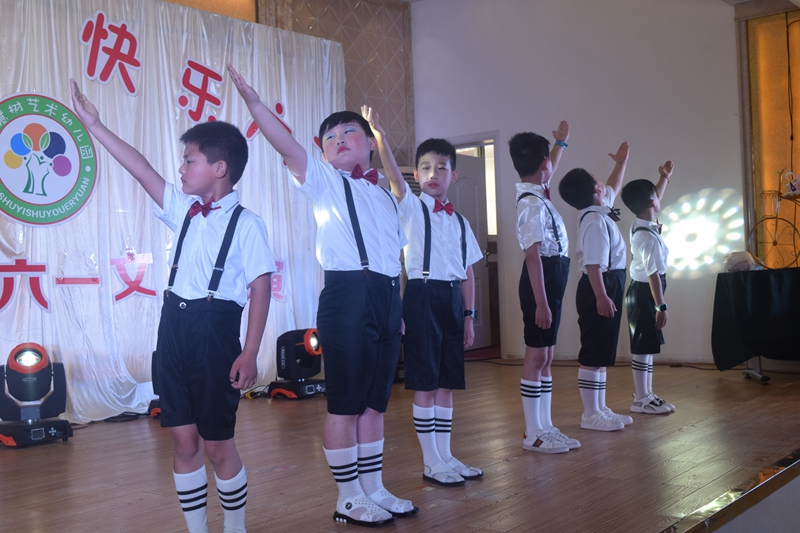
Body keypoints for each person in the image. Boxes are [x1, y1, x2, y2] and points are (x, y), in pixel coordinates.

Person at [70, 79, 275, 533]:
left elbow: (260, 287)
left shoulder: (247, 225)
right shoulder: (184, 209)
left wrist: (250, 351)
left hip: (216, 333)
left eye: (189, 160)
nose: (181, 169)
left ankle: (235, 527)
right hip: (174, 331)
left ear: (219, 168)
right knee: (184, 443)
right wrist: (95, 126)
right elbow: (141, 169)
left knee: (218, 445)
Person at [227, 66, 416, 528]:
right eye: (329, 137)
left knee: (375, 404)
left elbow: (396, 256)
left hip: (386, 298)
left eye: (349, 132)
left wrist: (397, 307)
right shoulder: (325, 182)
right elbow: (287, 144)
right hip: (346, 295)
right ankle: (348, 497)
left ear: (370, 143)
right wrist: (255, 104)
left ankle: (374, 488)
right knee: (346, 403)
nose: (338, 139)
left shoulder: (386, 196)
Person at [363, 107, 484, 486]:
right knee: (425, 382)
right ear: (417, 175)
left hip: (452, 300)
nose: (434, 174)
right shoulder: (412, 208)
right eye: (426, 168)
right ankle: (431, 461)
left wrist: (469, 316)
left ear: (453, 175)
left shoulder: (461, 222)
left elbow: (468, 274)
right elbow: (394, 180)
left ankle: (446, 455)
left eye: (442, 167)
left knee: (447, 382)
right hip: (421, 295)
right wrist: (380, 136)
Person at [509, 124, 580, 453]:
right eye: (549, 159)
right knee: (537, 354)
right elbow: (533, 257)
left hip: (553, 276)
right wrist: (541, 303)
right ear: (543, 164)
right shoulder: (531, 203)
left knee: (548, 354)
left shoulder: (537, 190)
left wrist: (560, 143)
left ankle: (547, 426)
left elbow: (548, 165)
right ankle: (532, 432)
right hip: (541, 280)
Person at [558, 142, 633, 432]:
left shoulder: (600, 209)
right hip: (598, 286)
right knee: (593, 351)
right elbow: (592, 264)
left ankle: (600, 408)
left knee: (602, 351)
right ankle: (590, 414)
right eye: (597, 179)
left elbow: (613, 185)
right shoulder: (594, 221)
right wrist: (601, 296)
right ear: (595, 189)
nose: (603, 182)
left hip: (608, 283)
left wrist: (621, 162)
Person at [620, 161, 676, 415]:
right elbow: (653, 274)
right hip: (645, 293)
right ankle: (641, 398)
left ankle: (647, 393)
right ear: (652, 202)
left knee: (648, 347)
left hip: (646, 291)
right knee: (642, 347)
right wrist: (661, 306)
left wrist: (664, 178)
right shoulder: (645, 236)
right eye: (655, 196)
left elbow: (654, 199)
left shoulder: (643, 222)